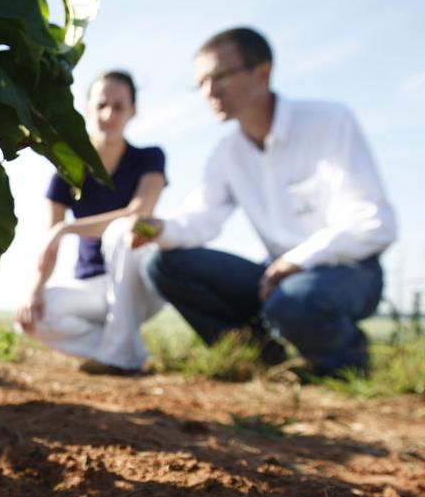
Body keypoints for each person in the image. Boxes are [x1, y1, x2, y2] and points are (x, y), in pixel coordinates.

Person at [132, 27, 396, 377]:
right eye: (202, 83)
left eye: (220, 76)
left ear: (262, 72)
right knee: (161, 265)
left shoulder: (329, 122)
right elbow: (203, 218)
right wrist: (158, 228)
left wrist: (299, 259)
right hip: (275, 277)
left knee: (296, 301)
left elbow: (374, 221)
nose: (210, 92)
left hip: (347, 270)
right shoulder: (227, 153)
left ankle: (346, 365)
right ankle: (262, 359)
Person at [15, 70, 167, 373]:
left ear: (132, 111)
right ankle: (126, 353)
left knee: (124, 230)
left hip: (139, 284)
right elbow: (50, 242)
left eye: (119, 106)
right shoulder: (66, 171)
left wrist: (69, 228)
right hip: (93, 286)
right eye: (101, 105)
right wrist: (33, 291)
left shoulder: (150, 158)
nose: (109, 114)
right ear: (87, 109)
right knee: (32, 319)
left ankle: (119, 354)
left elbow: (138, 214)